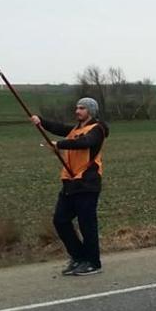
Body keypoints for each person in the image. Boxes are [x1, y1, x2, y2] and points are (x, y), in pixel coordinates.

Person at [31, 98, 109, 276]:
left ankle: (93, 262)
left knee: (86, 224)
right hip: (70, 182)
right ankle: (79, 256)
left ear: (91, 111)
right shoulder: (76, 129)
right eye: (77, 107)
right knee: (60, 220)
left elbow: (85, 143)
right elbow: (59, 128)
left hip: (87, 182)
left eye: (81, 108)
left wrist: (59, 145)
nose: (77, 111)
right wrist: (41, 121)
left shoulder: (98, 129)